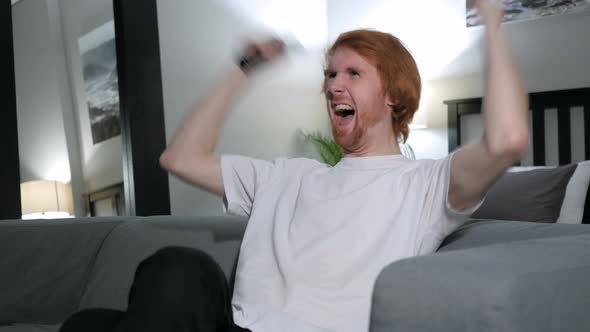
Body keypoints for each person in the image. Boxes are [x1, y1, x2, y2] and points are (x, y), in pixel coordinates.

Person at [59, 0, 529, 331]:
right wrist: (243, 69)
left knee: (173, 273)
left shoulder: (427, 185)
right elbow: (178, 158)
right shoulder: (285, 176)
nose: (333, 86)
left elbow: (507, 139)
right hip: (236, 325)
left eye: (353, 74)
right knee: (98, 315)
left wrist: (490, 22)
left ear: (393, 96)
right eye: (329, 75)